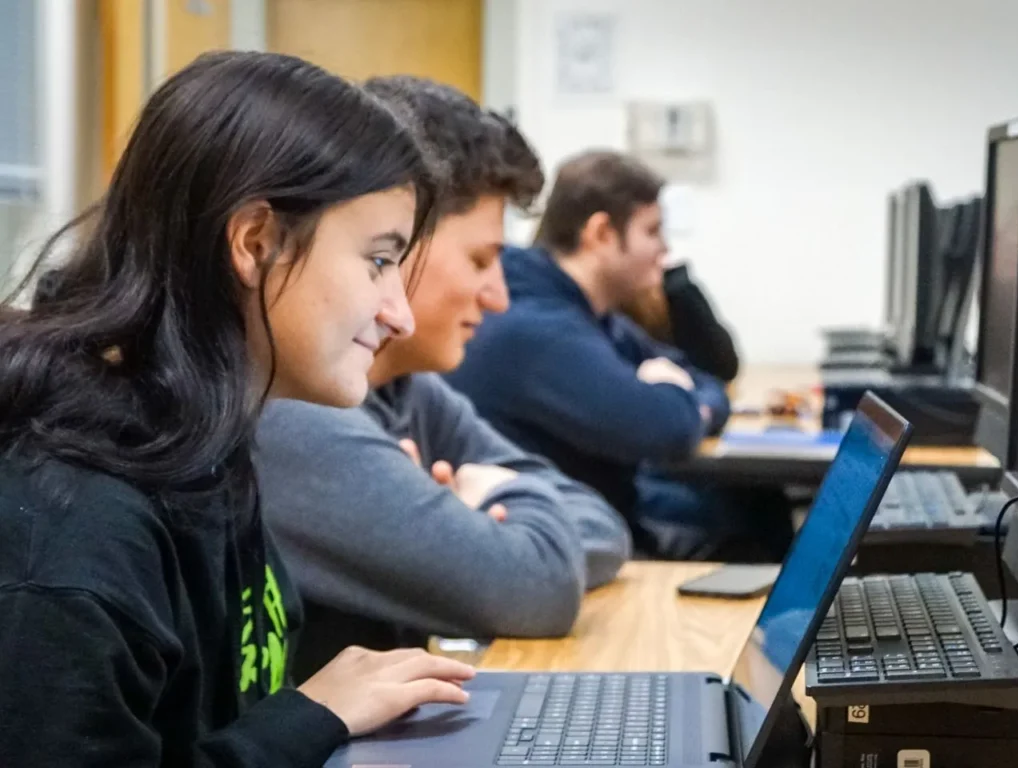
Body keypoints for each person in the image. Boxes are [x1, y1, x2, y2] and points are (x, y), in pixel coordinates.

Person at [0, 52, 475, 766]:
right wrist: (310, 717)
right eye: (378, 261)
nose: (400, 316)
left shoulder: (199, 441)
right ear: (255, 242)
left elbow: (219, 704)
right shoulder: (78, 530)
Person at [257, 78, 631, 681]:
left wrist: (472, 520)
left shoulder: (407, 388)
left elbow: (599, 524)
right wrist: (487, 532)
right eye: (481, 260)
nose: (500, 297)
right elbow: (538, 585)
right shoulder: (288, 413)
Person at [446, 150, 794, 562]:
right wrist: (680, 399)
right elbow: (669, 427)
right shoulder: (539, 328)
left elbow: (704, 379)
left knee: (755, 504)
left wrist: (678, 393)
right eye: (652, 231)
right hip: (568, 540)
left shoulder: (584, 309)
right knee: (750, 523)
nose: (664, 249)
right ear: (602, 234)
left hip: (599, 515)